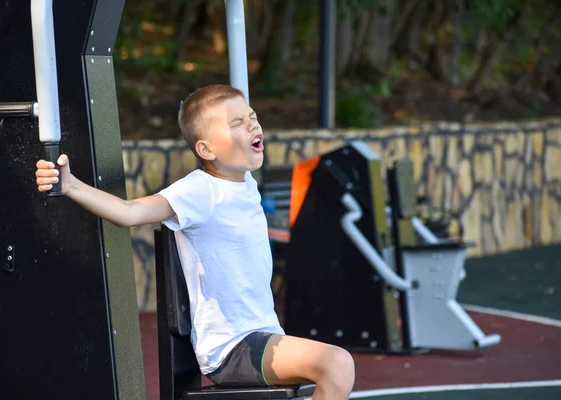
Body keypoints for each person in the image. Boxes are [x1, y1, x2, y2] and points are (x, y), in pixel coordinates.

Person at [35, 84, 355, 399]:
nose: (252, 124)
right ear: (206, 150)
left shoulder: (245, 184)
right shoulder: (200, 191)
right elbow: (128, 212)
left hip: (263, 336)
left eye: (252, 116)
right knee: (336, 363)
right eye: (237, 123)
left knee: (334, 365)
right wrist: (71, 185)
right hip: (231, 347)